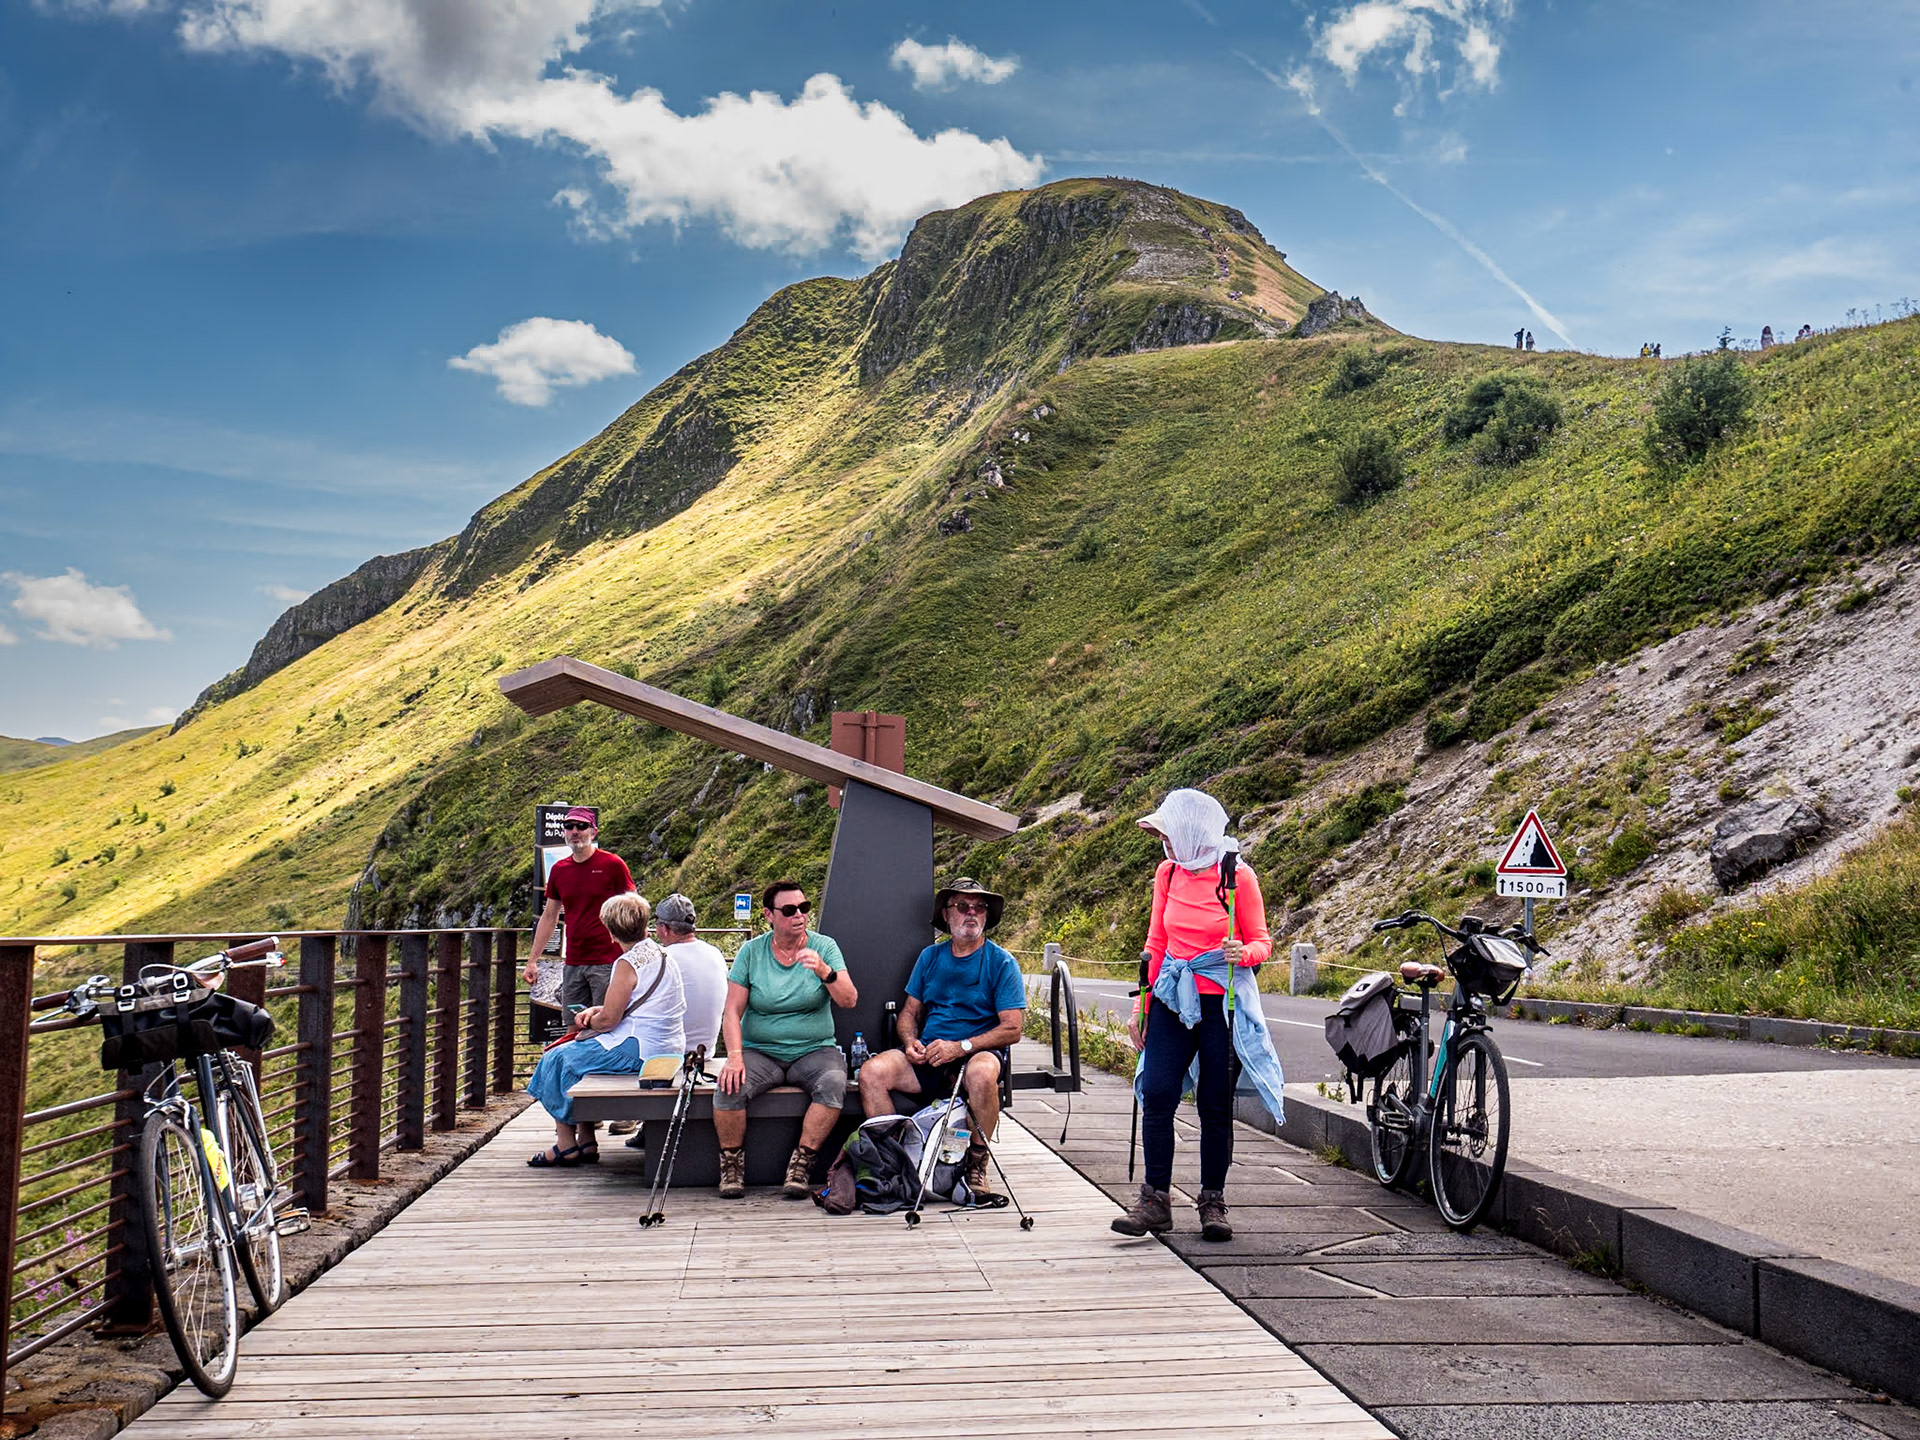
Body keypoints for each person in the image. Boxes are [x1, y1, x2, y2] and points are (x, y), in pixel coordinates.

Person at [1112, 789, 1287, 1243]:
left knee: (1214, 1103)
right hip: (1172, 998)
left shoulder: (1237, 876)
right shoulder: (1168, 873)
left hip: (1221, 1002)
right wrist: (1141, 1006)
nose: (1164, 844)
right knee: (1157, 1092)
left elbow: (1263, 942)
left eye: (1169, 835)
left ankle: (1212, 1201)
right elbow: (1156, 943)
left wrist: (1243, 952)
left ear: (1192, 833)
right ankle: (1155, 1201)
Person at [856, 877, 1027, 1200]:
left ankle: (976, 1163)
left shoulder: (1002, 962)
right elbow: (909, 1013)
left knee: (982, 1074)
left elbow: (1012, 1029)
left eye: (979, 907)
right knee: (872, 1072)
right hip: (931, 1050)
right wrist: (910, 1042)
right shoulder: (930, 957)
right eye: (962, 906)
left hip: (977, 1049)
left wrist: (961, 1047)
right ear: (946, 915)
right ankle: (896, 1161)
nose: (971, 913)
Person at [715, 880, 858, 1200]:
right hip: (761, 1050)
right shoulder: (752, 952)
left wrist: (825, 972)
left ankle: (802, 1163)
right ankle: (732, 1164)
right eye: (790, 910)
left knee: (834, 1082)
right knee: (729, 1086)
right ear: (769, 915)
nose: (799, 915)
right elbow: (732, 1010)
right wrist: (734, 1056)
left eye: (804, 908)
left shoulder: (825, 947)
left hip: (814, 1049)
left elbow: (849, 999)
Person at [525, 893, 684, 1166]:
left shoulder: (627, 963)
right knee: (575, 1057)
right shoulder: (661, 953)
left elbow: (609, 1020)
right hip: (666, 1045)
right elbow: (634, 1005)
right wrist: (599, 1013)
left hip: (638, 1049)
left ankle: (566, 1144)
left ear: (611, 931)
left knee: (556, 1058)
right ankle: (586, 1139)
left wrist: (586, 1020)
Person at [656, 893, 726, 1053]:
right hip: (705, 1052)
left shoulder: (663, 958)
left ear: (664, 929)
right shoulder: (715, 953)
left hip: (669, 1054)